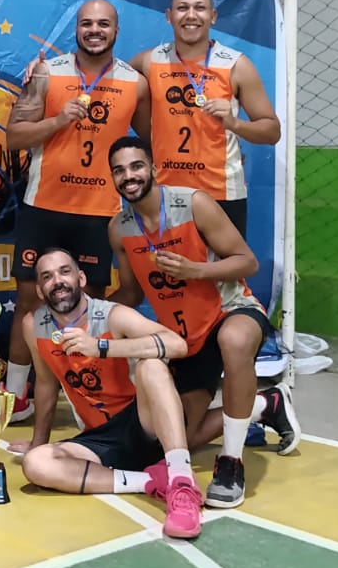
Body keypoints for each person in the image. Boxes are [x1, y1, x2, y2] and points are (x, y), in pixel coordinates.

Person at [106, 136, 300, 509]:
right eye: (119, 170)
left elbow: (247, 262)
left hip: (231, 310)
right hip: (186, 339)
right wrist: (87, 315)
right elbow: (130, 292)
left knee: (234, 341)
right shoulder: (120, 229)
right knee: (174, 439)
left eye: (136, 166)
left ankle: (230, 462)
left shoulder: (193, 203)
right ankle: (266, 405)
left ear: (153, 169)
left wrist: (196, 270)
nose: (129, 176)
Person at [2, 0, 150, 425]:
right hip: (44, 205)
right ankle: (16, 396)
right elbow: (14, 137)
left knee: (91, 307)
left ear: (116, 31)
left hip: (99, 213)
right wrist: (57, 121)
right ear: (77, 29)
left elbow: (148, 145)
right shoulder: (48, 73)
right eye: (87, 23)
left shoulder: (134, 83)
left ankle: (91, 394)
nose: (95, 30)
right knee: (29, 300)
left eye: (104, 24)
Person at [5, 248, 203, 539]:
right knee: (36, 464)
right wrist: (38, 442)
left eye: (65, 271)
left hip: (143, 423)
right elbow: (45, 384)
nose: (57, 281)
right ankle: (151, 481)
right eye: (47, 276)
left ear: (81, 278)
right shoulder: (33, 325)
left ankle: (182, 483)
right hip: (99, 437)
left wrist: (101, 347)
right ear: (39, 289)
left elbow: (176, 345)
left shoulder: (113, 315)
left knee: (152, 366)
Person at [130, 0, 280, 234]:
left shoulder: (236, 65)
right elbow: (112, 84)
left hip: (220, 194)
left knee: (226, 261)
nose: (191, 15)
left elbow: (272, 131)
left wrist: (234, 124)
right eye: (182, 8)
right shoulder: (149, 61)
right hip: (165, 193)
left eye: (199, 8)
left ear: (213, 16)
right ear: (169, 16)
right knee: (165, 261)